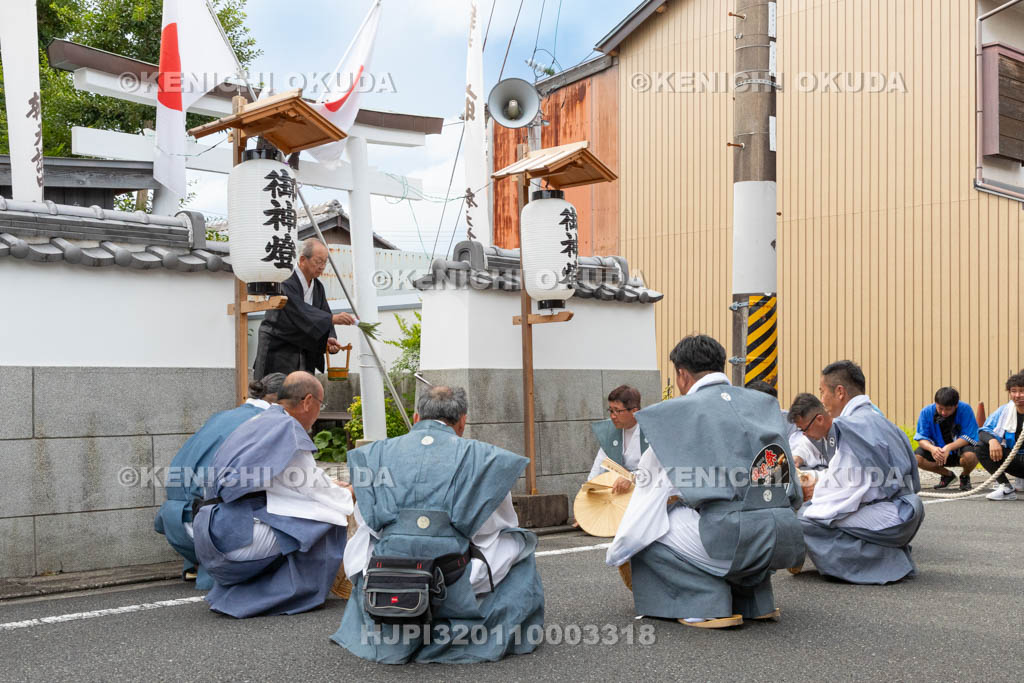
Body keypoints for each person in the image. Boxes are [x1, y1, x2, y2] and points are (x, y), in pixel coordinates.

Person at [332, 385, 544, 664]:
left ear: (417, 417)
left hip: (388, 576)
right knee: (519, 545)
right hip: (453, 575)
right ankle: (472, 632)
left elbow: (367, 521)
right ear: (463, 421)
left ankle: (381, 629)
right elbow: (494, 526)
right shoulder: (485, 459)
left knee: (367, 541)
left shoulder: (374, 455)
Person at [606, 335, 805, 629]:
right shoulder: (763, 403)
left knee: (649, 529)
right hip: (783, 536)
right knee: (746, 510)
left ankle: (706, 604)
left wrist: (620, 550)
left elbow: (651, 491)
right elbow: (792, 488)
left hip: (732, 542)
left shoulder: (677, 413)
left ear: (682, 375)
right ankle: (757, 601)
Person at [192, 371, 354, 618]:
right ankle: (298, 592)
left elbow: (285, 478)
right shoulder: (288, 428)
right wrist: (351, 493)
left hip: (211, 530)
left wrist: (328, 483)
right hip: (235, 537)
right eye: (321, 405)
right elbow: (315, 490)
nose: (319, 413)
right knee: (329, 517)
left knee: (302, 514)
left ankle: (246, 593)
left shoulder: (261, 420)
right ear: (308, 401)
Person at [154, 373, 286, 589]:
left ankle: (196, 564)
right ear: (282, 401)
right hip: (205, 530)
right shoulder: (265, 423)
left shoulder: (222, 416)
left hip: (174, 523)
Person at [798, 361, 924, 584]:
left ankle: (884, 564)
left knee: (804, 519)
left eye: (822, 392)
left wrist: (813, 493)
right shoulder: (880, 420)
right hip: (905, 508)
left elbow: (847, 489)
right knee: (816, 510)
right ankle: (892, 558)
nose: (822, 400)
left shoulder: (851, 427)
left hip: (891, 515)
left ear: (839, 392)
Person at [253, 239, 355, 379]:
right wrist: (331, 319)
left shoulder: (318, 287)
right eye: (318, 261)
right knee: (277, 392)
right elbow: (298, 310)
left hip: (305, 349)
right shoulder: (284, 280)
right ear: (302, 259)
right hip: (280, 347)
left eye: (325, 262)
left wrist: (330, 338)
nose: (322, 266)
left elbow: (324, 313)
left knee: (303, 393)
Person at [913, 386, 979, 492]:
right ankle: (947, 475)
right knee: (916, 458)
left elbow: (969, 436)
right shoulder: (926, 412)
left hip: (960, 449)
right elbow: (921, 437)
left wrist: (949, 447)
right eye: (940, 408)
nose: (944, 413)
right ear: (936, 403)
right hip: (937, 451)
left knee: (971, 456)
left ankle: (965, 476)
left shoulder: (965, 409)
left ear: (956, 405)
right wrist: (932, 449)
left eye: (948, 409)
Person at [587, 385, 649, 495]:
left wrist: (632, 477)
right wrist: (589, 487)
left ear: (634, 411)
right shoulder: (610, 431)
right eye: (611, 411)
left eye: (617, 411)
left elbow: (658, 469)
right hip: (618, 492)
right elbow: (599, 465)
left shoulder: (650, 431)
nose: (612, 416)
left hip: (645, 490)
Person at [976, 370, 1024, 501]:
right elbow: (984, 430)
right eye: (1014, 391)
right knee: (981, 447)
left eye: (1022, 391)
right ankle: (1006, 487)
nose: (1018, 395)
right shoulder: (1005, 410)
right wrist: (993, 441)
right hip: (1016, 459)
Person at [786, 393, 837, 472]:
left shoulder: (841, 433)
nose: (804, 434)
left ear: (819, 419)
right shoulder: (816, 434)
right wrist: (798, 458)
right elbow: (804, 448)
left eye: (805, 429)